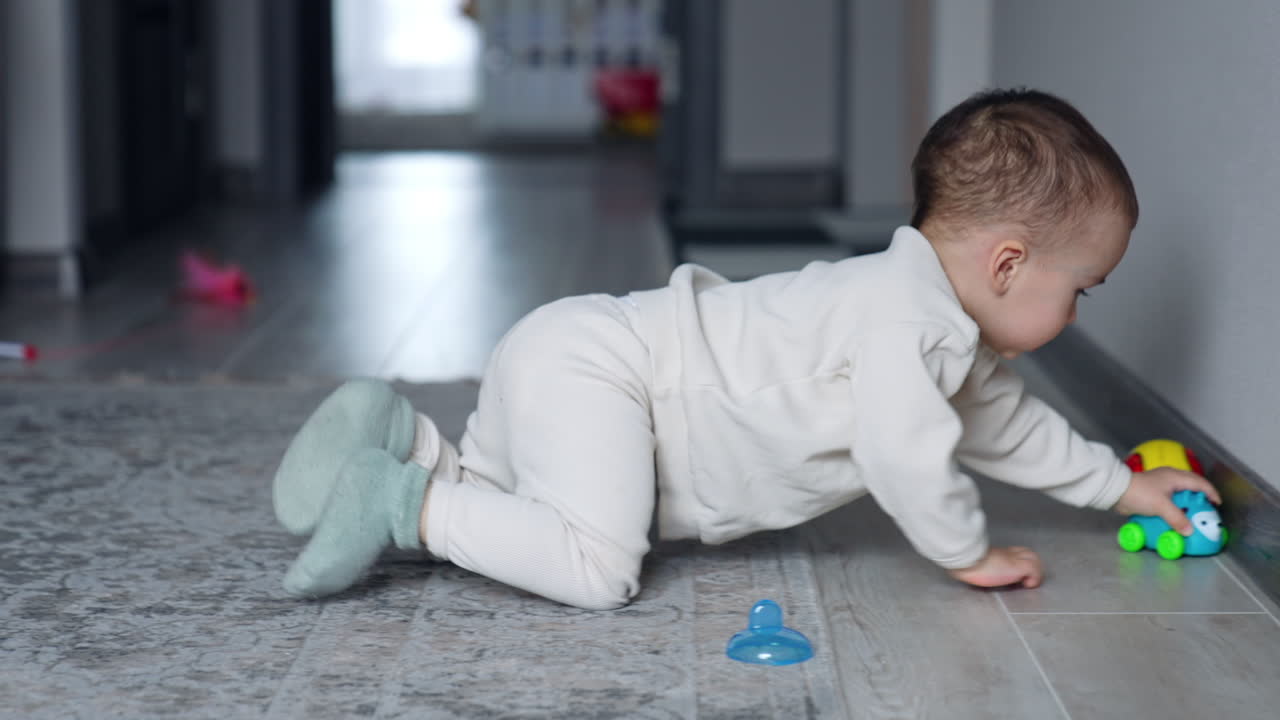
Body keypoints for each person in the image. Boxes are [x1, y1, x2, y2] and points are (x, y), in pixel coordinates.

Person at [272, 88, 1220, 608]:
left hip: (578, 353)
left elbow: (1002, 427)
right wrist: (963, 552)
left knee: (516, 494)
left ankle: (409, 443)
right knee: (597, 568)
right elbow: (905, 452)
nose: (1079, 315)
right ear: (1008, 263)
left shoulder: (925, 318)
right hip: (611, 376)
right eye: (1079, 290)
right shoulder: (910, 325)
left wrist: (1116, 484)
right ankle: (404, 502)